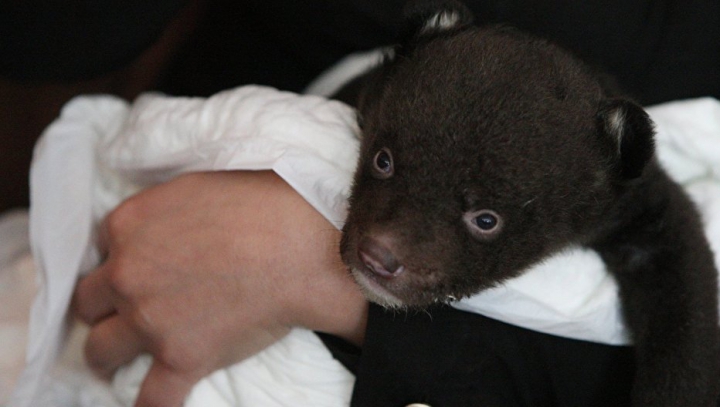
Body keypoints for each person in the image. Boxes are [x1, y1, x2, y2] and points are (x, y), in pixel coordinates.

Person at [5, 0, 720, 406]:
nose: (382, 241)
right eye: (382, 164)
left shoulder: (613, 183)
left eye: (483, 219)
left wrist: (316, 278)